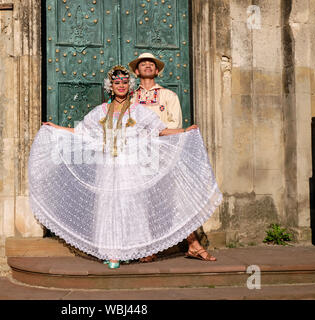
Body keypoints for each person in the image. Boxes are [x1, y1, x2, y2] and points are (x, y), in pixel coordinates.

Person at [28, 65, 222, 269]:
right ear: (110, 86)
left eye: (124, 82)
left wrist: (185, 130)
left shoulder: (138, 111)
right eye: (116, 83)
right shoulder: (100, 111)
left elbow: (161, 131)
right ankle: (112, 252)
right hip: (107, 168)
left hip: (131, 167)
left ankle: (135, 248)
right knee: (108, 205)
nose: (120, 86)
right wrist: (56, 128)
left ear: (129, 86)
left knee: (131, 205)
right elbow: (82, 132)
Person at [129, 53, 217, 262]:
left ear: (157, 71)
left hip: (164, 155)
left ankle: (193, 244)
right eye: (143, 64)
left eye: (152, 64)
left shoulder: (168, 96)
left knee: (177, 200)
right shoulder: (131, 98)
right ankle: (148, 248)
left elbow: (174, 125)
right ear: (136, 71)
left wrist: (152, 132)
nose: (148, 65)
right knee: (144, 202)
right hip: (139, 156)